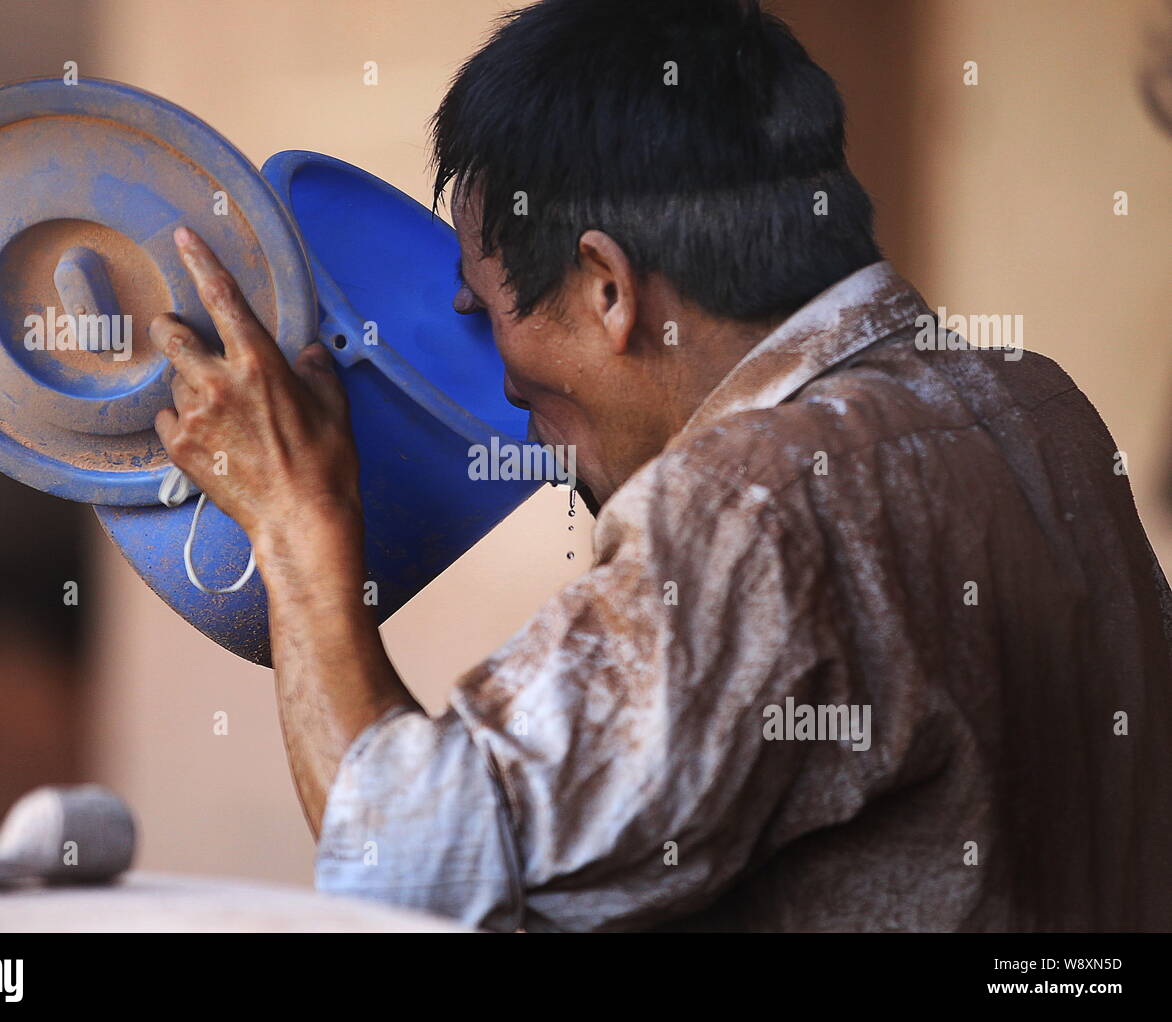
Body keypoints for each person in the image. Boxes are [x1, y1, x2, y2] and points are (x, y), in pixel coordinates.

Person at [147, 0, 1172, 931]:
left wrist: (294, 522)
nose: (499, 382)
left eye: (484, 308)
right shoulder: (1033, 401)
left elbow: (406, 863)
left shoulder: (754, 503)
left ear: (606, 287)